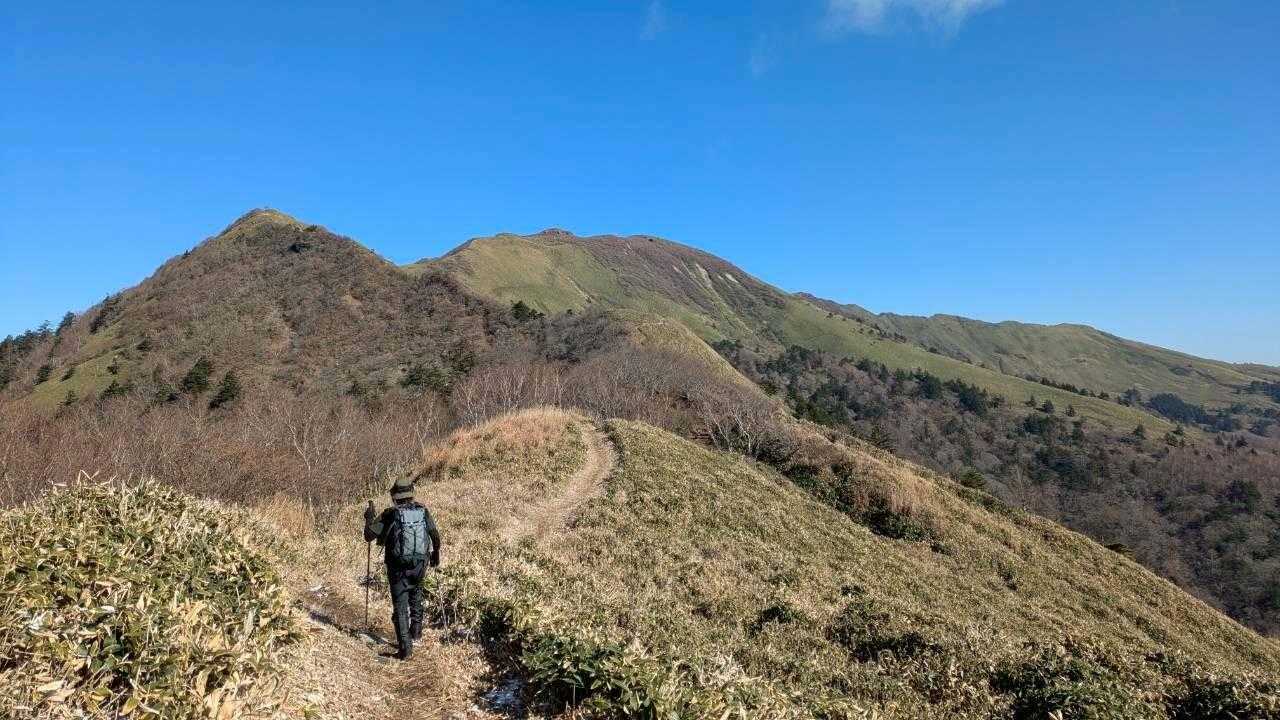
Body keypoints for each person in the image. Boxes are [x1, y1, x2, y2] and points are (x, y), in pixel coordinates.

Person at [364, 477, 441, 660]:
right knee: (416, 595)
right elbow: (435, 536)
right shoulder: (422, 510)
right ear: (411, 494)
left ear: (394, 496)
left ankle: (405, 650)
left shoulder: (390, 514)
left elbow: (369, 536)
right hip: (420, 563)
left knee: (400, 605)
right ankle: (416, 634)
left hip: (397, 567)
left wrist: (369, 518)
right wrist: (435, 555)